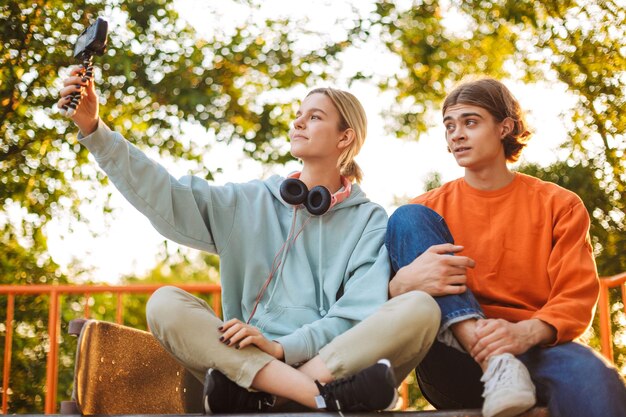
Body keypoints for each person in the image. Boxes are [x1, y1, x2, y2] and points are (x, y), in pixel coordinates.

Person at [57, 67, 441, 413]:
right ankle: (315, 397)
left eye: (315, 116)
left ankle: (269, 399)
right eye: (299, 115)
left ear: (346, 137)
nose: (299, 122)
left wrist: (283, 349)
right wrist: (96, 130)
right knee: (165, 303)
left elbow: (358, 313)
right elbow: (168, 196)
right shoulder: (249, 201)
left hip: (326, 360)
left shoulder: (369, 219)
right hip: (252, 362)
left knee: (420, 308)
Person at [385, 77, 626, 417]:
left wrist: (523, 334)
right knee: (407, 217)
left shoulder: (560, 204)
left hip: (533, 345)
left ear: (504, 127)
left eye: (470, 122)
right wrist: (401, 285)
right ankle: (495, 363)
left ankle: (504, 360)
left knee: (599, 380)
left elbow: (575, 296)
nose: (456, 135)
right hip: (452, 358)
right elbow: (373, 304)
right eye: (449, 126)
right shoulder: (427, 210)